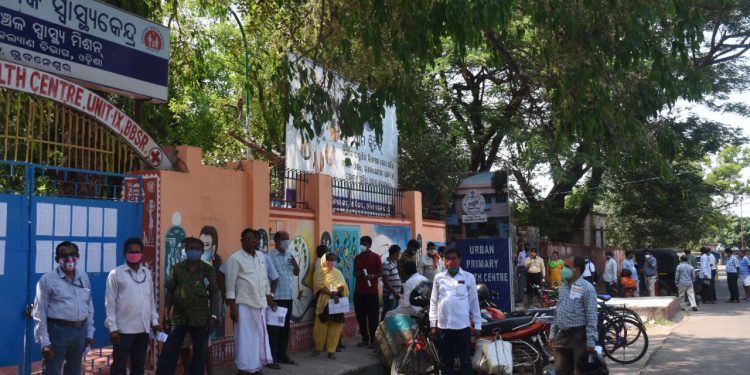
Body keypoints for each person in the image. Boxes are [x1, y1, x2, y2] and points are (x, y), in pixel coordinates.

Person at [157, 237, 219, 375]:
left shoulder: (207, 270)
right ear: (185, 250)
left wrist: (213, 316)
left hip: (201, 319)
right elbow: (170, 292)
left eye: (197, 249)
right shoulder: (177, 269)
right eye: (191, 248)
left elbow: (214, 293)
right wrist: (166, 314)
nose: (193, 251)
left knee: (200, 355)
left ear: (202, 251)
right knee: (169, 352)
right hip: (179, 318)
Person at [33, 242, 94, 375]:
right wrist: (44, 342)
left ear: (78, 256)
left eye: (72, 254)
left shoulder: (83, 277)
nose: (69, 258)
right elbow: (40, 311)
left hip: (80, 331)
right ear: (57, 259)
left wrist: (89, 332)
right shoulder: (47, 280)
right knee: (52, 370)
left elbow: (89, 305)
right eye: (64, 255)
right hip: (58, 331)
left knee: (74, 369)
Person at [105, 238, 160, 375]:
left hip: (143, 329)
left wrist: (155, 321)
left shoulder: (146, 273)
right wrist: (113, 329)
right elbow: (110, 303)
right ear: (125, 254)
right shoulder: (115, 274)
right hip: (123, 330)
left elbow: (151, 299)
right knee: (119, 366)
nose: (134, 254)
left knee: (138, 365)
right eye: (131, 252)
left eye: (137, 251)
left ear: (142, 253)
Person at [225, 229, 276, 374]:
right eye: (245, 239)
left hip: (260, 304)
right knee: (244, 338)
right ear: (241, 241)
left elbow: (265, 279)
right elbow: (230, 285)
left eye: (251, 239)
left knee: (258, 337)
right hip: (244, 305)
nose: (248, 241)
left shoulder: (261, 256)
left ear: (256, 241)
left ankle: (255, 366)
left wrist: (269, 297)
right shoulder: (235, 258)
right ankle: (243, 368)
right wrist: (232, 307)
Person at [429, 247, 482, 375]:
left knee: (465, 361)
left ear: (459, 260)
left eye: (453, 258)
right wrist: (433, 324)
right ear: (444, 261)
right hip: (444, 327)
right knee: (447, 362)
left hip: (462, 327)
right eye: (447, 259)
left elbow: (474, 303)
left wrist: (478, 325)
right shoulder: (438, 277)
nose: (450, 262)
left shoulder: (468, 277)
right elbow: (434, 301)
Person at [548, 256, 598, 374]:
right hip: (562, 337)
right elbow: (558, 312)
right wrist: (552, 333)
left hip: (579, 337)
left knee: (580, 371)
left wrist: (591, 341)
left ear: (578, 270)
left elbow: (592, 316)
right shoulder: (563, 288)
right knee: (560, 371)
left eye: (567, 267)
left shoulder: (587, 289)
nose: (563, 269)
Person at [267, 231, 300, 366]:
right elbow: (269, 277)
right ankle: (273, 356)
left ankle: (283, 354)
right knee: (275, 328)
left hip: (289, 297)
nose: (287, 242)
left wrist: (296, 265)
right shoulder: (270, 257)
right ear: (276, 241)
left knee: (285, 328)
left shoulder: (289, 254)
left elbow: (296, 273)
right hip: (277, 298)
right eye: (284, 239)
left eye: (288, 239)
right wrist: (271, 297)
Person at [311, 252, 349, 359]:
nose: (331, 262)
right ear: (324, 260)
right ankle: (317, 348)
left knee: (335, 327)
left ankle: (331, 351)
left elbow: (343, 286)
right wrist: (331, 293)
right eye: (329, 260)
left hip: (337, 303)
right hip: (324, 302)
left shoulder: (337, 273)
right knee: (320, 327)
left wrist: (337, 292)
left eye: (333, 260)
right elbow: (318, 287)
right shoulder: (319, 272)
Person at [353, 236, 382, 348]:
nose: (362, 246)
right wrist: (359, 273)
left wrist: (372, 276)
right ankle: (364, 338)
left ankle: (373, 341)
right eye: (361, 243)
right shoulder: (357, 258)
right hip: (359, 292)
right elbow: (354, 273)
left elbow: (381, 273)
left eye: (364, 244)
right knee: (360, 317)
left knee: (373, 318)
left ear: (369, 245)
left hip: (372, 292)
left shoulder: (376, 257)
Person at [381, 245, 402, 320]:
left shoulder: (394, 262)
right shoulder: (386, 264)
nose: (400, 255)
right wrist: (394, 292)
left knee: (394, 313)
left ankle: (390, 330)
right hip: (390, 294)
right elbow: (385, 280)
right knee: (388, 312)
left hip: (395, 294)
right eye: (399, 253)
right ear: (395, 253)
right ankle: (382, 328)